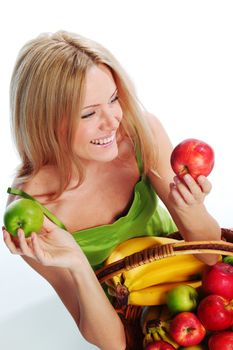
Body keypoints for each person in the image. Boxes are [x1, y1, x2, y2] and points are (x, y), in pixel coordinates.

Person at [2, 31, 221, 350]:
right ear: (44, 122)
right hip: (127, 314)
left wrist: (192, 209)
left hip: (186, 273)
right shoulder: (31, 212)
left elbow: (211, 255)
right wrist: (76, 262)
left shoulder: (138, 135)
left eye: (114, 98)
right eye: (88, 113)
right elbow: (115, 344)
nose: (113, 120)